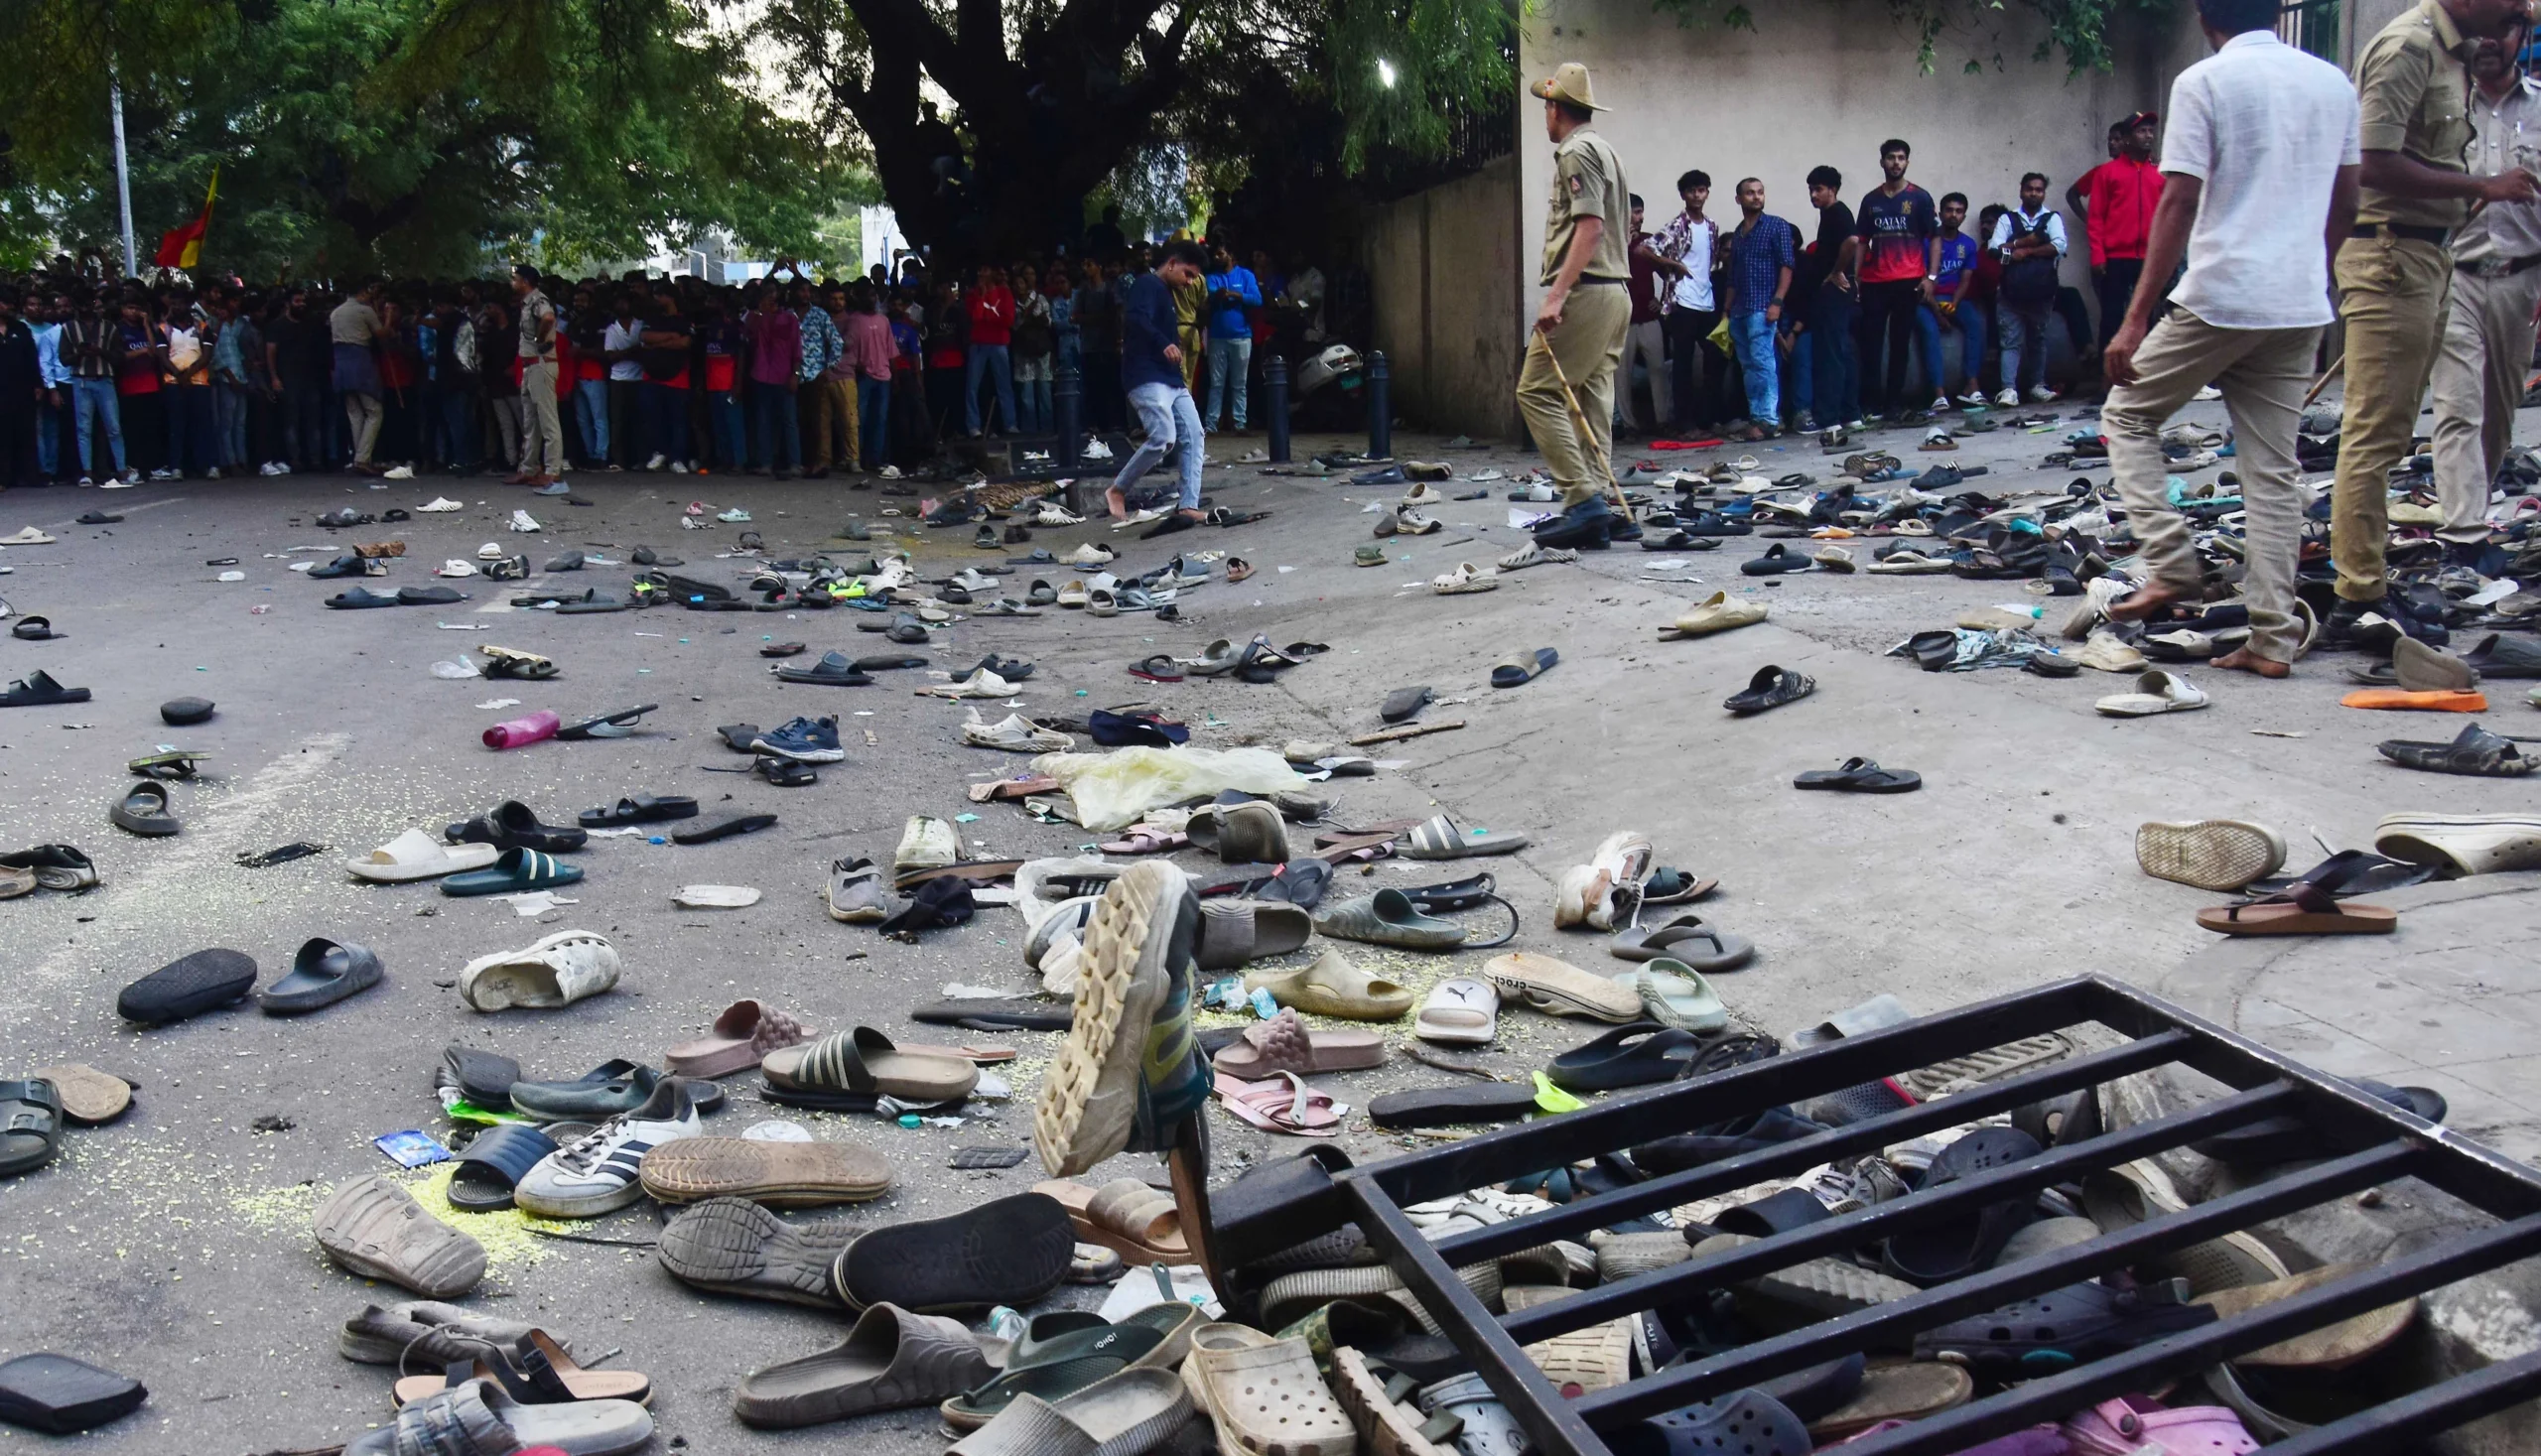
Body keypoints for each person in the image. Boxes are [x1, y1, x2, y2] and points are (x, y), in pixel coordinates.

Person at [2101, 0, 2361, 678]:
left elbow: (2179, 200)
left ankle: (2169, 561)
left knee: (2127, 414)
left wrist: (2135, 318)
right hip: (2297, 303)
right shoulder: (2332, 82)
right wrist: (2312, 271)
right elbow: (2349, 200)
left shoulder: (2203, 82)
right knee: (2273, 474)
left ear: (2202, 12)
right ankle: (2272, 640)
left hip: (2222, 295)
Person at [2332, 0, 2540, 638]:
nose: (2517, 10)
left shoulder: (2444, 55)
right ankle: (2359, 596)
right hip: (2399, 257)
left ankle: (2368, 585)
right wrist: (2481, 188)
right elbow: (2372, 160)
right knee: (2384, 430)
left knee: (2397, 432)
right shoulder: (2409, 49)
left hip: (2444, 260)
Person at [2430, 22, 2541, 567]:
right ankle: (2465, 531)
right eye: (2481, 30)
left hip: (2524, 279)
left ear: (2523, 34)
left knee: (2499, 408)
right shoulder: (2443, 106)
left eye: (2503, 29)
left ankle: (2477, 497)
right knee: (2458, 404)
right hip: (2455, 274)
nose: (2490, 41)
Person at [1514, 63, 1633, 547]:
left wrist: (1557, 294)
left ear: (1554, 107)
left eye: (1546, 106)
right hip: (1615, 293)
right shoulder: (1605, 149)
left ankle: (1582, 500)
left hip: (1588, 290)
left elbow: (1590, 227)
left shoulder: (1576, 151)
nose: (1545, 116)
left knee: (1536, 391)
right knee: (1592, 399)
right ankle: (1601, 504)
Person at [1107, 238, 1210, 526]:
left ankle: (1188, 504)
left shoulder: (1165, 291)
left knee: (1194, 434)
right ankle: (1118, 489)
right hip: (1146, 375)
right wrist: (1163, 342)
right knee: (1164, 437)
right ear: (1172, 263)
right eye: (1188, 274)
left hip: (1171, 379)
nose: (1189, 282)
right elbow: (1135, 318)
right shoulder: (1146, 284)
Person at [1855, 140, 1939, 419]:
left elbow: (1935, 238)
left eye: (1901, 158)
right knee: (1872, 344)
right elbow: (1861, 241)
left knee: (1901, 343)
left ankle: (1893, 403)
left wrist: (1931, 276)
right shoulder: (1871, 200)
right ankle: (1871, 404)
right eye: (1891, 157)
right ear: (1882, 162)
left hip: (1909, 281)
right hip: (1874, 282)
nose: (1896, 163)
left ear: (1907, 163)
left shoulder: (1920, 198)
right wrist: (1856, 276)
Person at [1720, 179, 1797, 442]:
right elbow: (1733, 275)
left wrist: (1777, 302)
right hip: (1740, 308)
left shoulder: (1776, 226)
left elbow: (1787, 266)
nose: (1756, 197)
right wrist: (1726, 310)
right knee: (1749, 366)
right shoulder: (1739, 233)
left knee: (1764, 363)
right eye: (1750, 193)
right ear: (1738, 199)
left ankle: (1768, 420)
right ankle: (1757, 417)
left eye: (1760, 192)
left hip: (1763, 306)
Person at [1651, 170, 1726, 431]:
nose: (1697, 195)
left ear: (1707, 193)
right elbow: (1645, 249)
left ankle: (1707, 418)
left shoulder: (1712, 226)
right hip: (1682, 302)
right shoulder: (1676, 225)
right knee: (1682, 364)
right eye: (1692, 190)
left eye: (1702, 190)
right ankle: (1684, 423)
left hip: (1707, 302)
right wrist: (1672, 265)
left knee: (1715, 358)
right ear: (1683, 195)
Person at [1989, 174, 2071, 405]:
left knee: (2038, 340)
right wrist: (2025, 242)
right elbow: (1995, 249)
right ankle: (2008, 390)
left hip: (2041, 292)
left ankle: (2037, 386)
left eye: (2038, 189)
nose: (2034, 193)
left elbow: (2059, 246)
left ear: (2043, 193)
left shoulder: (2052, 217)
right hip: (2010, 291)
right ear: (2021, 191)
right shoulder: (2008, 218)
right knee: (2010, 341)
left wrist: (2025, 253)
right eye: (2029, 189)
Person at [2088, 112, 2167, 349]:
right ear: (2128, 138)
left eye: (2150, 131)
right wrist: (2098, 255)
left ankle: (2146, 379)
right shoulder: (2107, 172)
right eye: (2142, 131)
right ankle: (2107, 381)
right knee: (2112, 319)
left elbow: (2166, 217)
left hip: (2149, 258)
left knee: (2151, 319)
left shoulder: (2160, 172)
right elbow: (2096, 217)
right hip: (2116, 259)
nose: (2148, 136)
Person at [1800, 165, 1861, 433]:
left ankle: (1830, 418)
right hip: (1836, 292)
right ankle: (1851, 414)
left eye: (1819, 189)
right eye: (1811, 190)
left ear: (1832, 190)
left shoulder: (1837, 212)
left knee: (1831, 354)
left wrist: (1837, 270)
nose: (1814, 195)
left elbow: (1852, 241)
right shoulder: (1828, 214)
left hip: (1834, 293)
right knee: (1842, 351)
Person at [1915, 194, 1988, 410]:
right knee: (1929, 330)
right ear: (1940, 213)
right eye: (1949, 210)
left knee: (1975, 323)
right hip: (1925, 301)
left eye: (1958, 211)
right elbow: (1922, 281)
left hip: (1953, 299)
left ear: (1964, 216)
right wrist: (1938, 314)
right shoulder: (1926, 243)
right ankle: (1938, 393)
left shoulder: (1967, 244)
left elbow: (1965, 279)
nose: (1953, 215)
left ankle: (1971, 385)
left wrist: (1954, 305)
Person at [1620, 196, 1674, 434]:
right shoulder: (1609, 243)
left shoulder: (1648, 242)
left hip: (1649, 320)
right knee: (1621, 377)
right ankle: (1628, 424)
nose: (1640, 218)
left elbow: (1670, 274)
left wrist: (1663, 303)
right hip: (1621, 321)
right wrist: (1623, 244)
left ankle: (1663, 421)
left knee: (1658, 371)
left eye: (1641, 212)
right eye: (1636, 212)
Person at [62, 295, 126, 484]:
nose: (85, 307)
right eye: (80, 304)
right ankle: (87, 474)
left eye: (88, 303)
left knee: (113, 427)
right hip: (81, 380)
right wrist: (80, 353)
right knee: (84, 429)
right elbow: (63, 358)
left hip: (104, 379)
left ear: (93, 304)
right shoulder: (69, 328)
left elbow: (119, 357)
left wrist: (100, 352)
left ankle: (122, 470)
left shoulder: (109, 327)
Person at [513, 266, 566, 484]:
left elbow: (548, 317)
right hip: (530, 366)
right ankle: (529, 467)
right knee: (531, 422)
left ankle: (552, 469)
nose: (512, 283)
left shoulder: (537, 300)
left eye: (515, 279)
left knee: (547, 421)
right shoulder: (528, 302)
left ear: (525, 281)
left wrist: (538, 339)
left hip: (540, 364)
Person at [742, 285, 802, 477]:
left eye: (774, 298)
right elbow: (748, 335)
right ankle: (766, 462)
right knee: (763, 421)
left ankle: (795, 463)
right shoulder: (755, 319)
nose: (771, 302)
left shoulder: (790, 320)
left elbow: (797, 349)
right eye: (767, 298)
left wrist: (795, 374)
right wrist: (763, 312)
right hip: (761, 375)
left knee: (789, 421)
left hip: (784, 375)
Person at [331, 278, 388, 474]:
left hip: (340, 364)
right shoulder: (365, 311)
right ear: (362, 293)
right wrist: (388, 317)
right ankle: (362, 458)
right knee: (374, 411)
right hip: (360, 361)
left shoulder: (335, 313)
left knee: (355, 413)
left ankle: (360, 456)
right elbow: (381, 333)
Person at [1201, 245, 1261, 432]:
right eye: (1215, 255)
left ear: (1231, 255)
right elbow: (1207, 297)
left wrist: (1235, 294)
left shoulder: (1245, 276)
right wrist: (1218, 297)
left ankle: (1239, 423)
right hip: (1217, 337)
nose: (1217, 258)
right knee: (1216, 384)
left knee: (1239, 383)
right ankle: (1211, 425)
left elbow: (1257, 300)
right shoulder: (1211, 277)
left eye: (1221, 254)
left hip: (1242, 336)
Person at [636, 281, 693, 476]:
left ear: (671, 297)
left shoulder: (684, 319)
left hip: (678, 377)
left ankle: (677, 458)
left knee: (678, 420)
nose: (656, 299)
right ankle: (659, 452)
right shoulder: (651, 317)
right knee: (653, 418)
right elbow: (645, 337)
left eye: (660, 295)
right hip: (652, 377)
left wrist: (656, 344)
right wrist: (670, 336)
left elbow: (685, 342)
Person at [846, 284, 894, 472]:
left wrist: (894, 377)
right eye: (868, 295)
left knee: (880, 419)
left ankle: (876, 459)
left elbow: (891, 351)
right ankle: (860, 457)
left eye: (874, 295)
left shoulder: (884, 320)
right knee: (861, 419)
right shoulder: (853, 321)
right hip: (863, 376)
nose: (872, 299)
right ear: (858, 297)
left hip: (884, 376)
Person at [964, 264, 1016, 436]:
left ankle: (1010, 424)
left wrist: (988, 317)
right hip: (978, 343)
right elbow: (976, 316)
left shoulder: (1004, 293)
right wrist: (982, 295)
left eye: (985, 270)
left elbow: (1008, 320)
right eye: (980, 271)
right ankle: (973, 426)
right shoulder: (972, 295)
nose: (981, 274)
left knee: (1004, 386)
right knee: (972, 386)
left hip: (999, 343)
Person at [0, 293, 38, 490]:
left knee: (26, 432)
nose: (8, 307)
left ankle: (30, 476)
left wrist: (38, 384)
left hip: (22, 389)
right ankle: (3, 478)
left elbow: (32, 357)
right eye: (5, 303)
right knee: (2, 435)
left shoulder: (20, 328)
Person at [1012, 264, 1056, 434]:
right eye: (1017, 283)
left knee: (1045, 392)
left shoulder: (1041, 299)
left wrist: (1031, 320)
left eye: (1023, 282)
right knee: (1026, 396)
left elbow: (1048, 322)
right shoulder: (1012, 303)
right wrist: (1032, 319)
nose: (1020, 286)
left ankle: (1047, 430)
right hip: (1023, 353)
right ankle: (1029, 432)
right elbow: (1014, 326)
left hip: (1041, 351)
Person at [29, 295, 66, 482]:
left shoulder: (51, 330)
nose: (36, 308)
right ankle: (42, 469)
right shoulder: (22, 327)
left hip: (49, 382)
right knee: (39, 428)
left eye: (39, 304)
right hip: (33, 382)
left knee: (52, 427)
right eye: (31, 304)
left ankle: (52, 468)